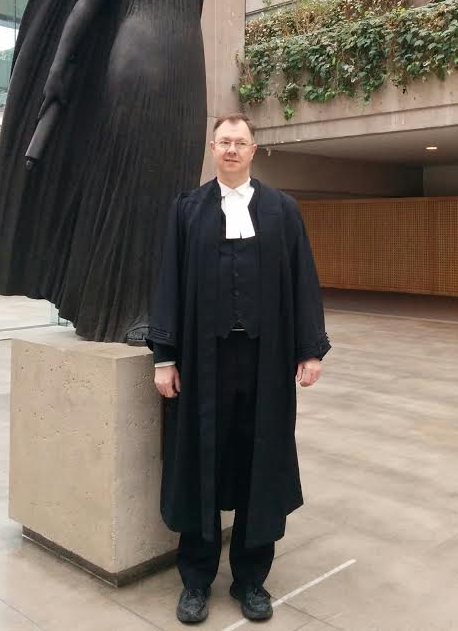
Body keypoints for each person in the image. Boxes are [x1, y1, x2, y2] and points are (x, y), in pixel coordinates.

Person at [0, 0, 331, 343]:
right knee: (129, 181)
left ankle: (155, 305)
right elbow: (85, 7)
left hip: (184, 73)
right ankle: (109, 306)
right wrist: (57, 74)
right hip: (134, 67)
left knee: (171, 186)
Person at [147, 113, 330, 624]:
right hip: (202, 366)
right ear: (212, 148)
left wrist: (309, 349)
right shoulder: (186, 210)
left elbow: (303, 282)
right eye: (224, 142)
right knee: (200, 462)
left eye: (240, 143)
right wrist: (165, 356)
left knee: (260, 464)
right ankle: (196, 580)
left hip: (266, 364)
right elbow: (168, 281)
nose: (231, 150)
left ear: (254, 150)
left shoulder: (282, 210)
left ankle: (252, 580)